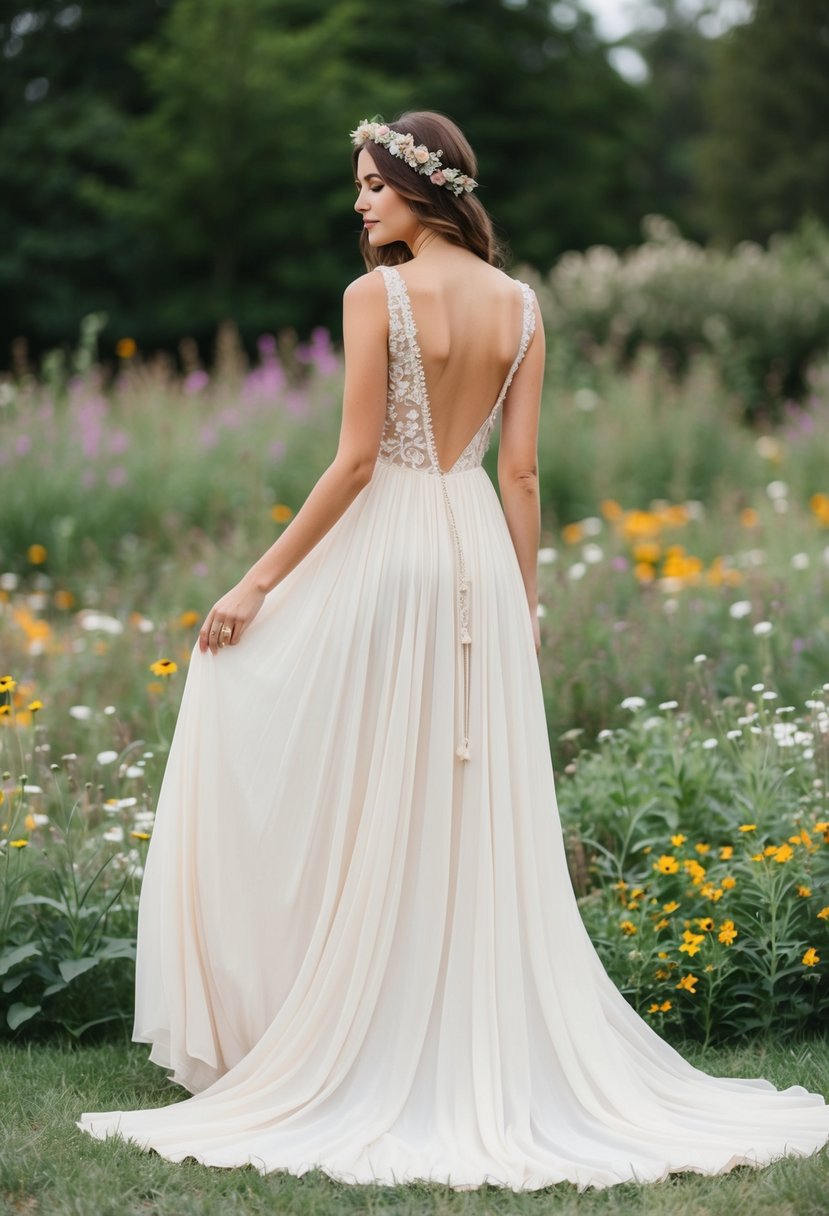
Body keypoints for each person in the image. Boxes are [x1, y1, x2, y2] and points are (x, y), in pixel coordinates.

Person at [77, 111, 829, 1191]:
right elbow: (519, 474)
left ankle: (347, 1023)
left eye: (372, 185)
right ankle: (436, 1025)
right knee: (452, 796)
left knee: (331, 749)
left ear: (423, 190)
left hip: (392, 547)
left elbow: (349, 466)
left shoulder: (375, 296)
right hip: (475, 549)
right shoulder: (522, 305)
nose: (359, 204)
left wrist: (253, 580)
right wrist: (522, 604)